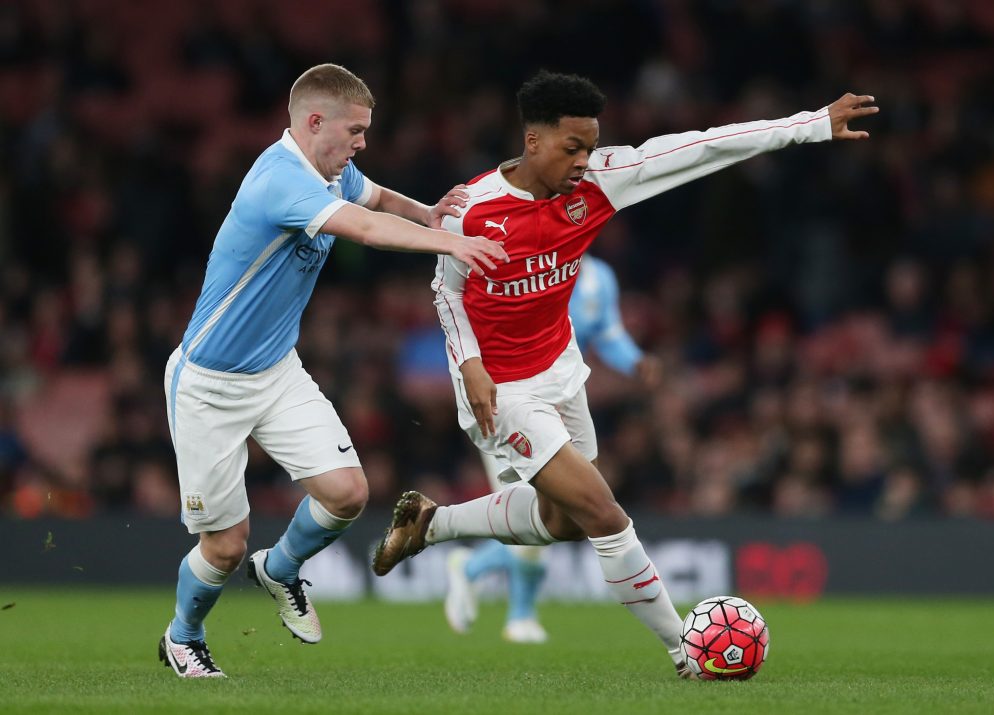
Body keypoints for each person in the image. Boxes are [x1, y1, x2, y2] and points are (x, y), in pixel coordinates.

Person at [372, 70, 876, 679]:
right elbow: (446, 291)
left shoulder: (603, 179)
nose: (585, 160)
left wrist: (812, 125)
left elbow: (706, 145)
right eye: (572, 148)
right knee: (604, 513)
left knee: (562, 521)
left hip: (560, 369)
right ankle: (684, 652)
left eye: (591, 146)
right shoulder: (471, 209)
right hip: (500, 387)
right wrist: (469, 364)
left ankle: (432, 523)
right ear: (533, 141)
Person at [158, 63, 507, 678]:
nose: (362, 143)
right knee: (225, 543)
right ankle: (183, 636)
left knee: (347, 493)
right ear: (314, 122)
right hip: (210, 385)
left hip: (275, 369)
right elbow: (367, 229)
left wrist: (428, 213)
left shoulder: (332, 170)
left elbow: (374, 199)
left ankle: (283, 567)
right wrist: (450, 243)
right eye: (356, 130)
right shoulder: (279, 181)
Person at [445, 253, 661, 643]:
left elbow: (608, 334)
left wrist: (635, 361)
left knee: (561, 516)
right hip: (509, 404)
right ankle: (519, 615)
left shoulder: (599, 277)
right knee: (542, 510)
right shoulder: (523, 260)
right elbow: (457, 300)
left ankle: (472, 568)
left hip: (562, 404)